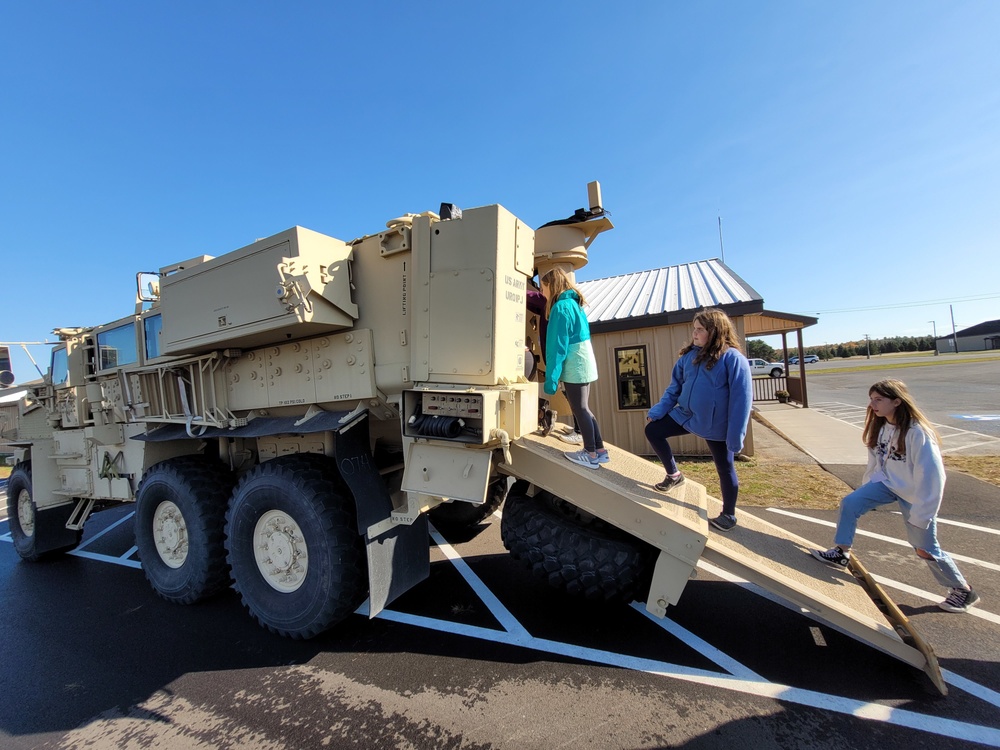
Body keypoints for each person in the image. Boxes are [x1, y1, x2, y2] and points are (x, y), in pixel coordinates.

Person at [810, 379, 981, 613]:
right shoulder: (882, 426)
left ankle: (963, 590)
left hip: (915, 495)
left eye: (878, 399)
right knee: (850, 503)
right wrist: (869, 485)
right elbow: (877, 460)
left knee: (924, 548)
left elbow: (932, 477)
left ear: (897, 401)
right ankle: (841, 552)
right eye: (871, 399)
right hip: (887, 484)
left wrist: (922, 515)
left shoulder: (917, 432)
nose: (872, 405)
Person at [645, 308, 752, 532]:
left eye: (700, 330)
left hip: (716, 425)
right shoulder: (688, 357)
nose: (694, 334)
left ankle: (729, 515)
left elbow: (742, 401)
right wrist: (658, 410)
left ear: (715, 331)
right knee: (653, 431)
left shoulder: (733, 359)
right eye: (694, 329)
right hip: (685, 416)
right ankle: (674, 475)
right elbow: (673, 389)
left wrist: (735, 437)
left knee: (725, 467)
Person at [540, 267, 607, 469]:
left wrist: (551, 380)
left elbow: (557, 347)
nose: (543, 293)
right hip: (585, 362)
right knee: (585, 408)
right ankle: (600, 450)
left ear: (551, 285)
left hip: (575, 365)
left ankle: (590, 454)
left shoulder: (560, 308)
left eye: (543, 288)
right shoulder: (574, 304)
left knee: (580, 409)